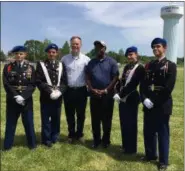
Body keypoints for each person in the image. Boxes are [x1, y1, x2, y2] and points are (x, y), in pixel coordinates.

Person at [140, 38, 177, 171]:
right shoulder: (148, 65)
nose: (155, 49)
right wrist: (143, 99)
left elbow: (168, 88)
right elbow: (143, 85)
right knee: (148, 132)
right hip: (148, 104)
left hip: (162, 105)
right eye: (153, 47)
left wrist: (154, 101)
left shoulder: (170, 65)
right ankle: (150, 155)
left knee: (162, 133)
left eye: (158, 46)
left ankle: (163, 161)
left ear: (165, 48)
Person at [86, 40, 119, 148]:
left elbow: (115, 78)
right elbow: (88, 78)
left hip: (107, 96)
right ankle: (96, 140)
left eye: (101, 47)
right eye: (97, 47)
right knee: (95, 120)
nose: (99, 49)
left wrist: (106, 90)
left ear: (105, 48)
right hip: (94, 95)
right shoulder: (91, 62)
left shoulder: (112, 62)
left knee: (106, 120)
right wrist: (91, 89)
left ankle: (106, 141)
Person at [3, 45, 36, 150]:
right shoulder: (8, 67)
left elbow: (32, 84)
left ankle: (32, 145)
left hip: (26, 101)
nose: (18, 56)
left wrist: (23, 96)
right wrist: (16, 95)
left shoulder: (30, 67)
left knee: (29, 123)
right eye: (16, 54)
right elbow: (6, 83)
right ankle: (7, 146)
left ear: (25, 54)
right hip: (12, 100)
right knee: (11, 123)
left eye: (21, 53)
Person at [113, 46, 145, 154]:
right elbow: (122, 82)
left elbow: (132, 84)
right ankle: (125, 145)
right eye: (128, 55)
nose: (129, 56)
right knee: (123, 123)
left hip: (131, 98)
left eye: (131, 54)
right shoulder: (126, 67)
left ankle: (131, 149)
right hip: (123, 98)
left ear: (136, 54)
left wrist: (120, 95)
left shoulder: (140, 68)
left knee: (131, 124)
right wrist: (116, 92)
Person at [36, 43, 67, 148]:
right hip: (46, 97)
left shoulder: (61, 65)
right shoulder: (41, 65)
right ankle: (46, 139)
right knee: (45, 119)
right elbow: (39, 81)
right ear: (47, 53)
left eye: (53, 52)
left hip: (58, 97)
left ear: (57, 53)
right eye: (49, 52)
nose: (51, 54)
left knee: (56, 118)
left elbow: (64, 82)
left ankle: (55, 137)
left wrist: (60, 92)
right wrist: (50, 92)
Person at [61, 36, 90, 144]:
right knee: (69, 114)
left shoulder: (86, 59)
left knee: (81, 114)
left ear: (81, 45)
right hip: (68, 90)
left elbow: (90, 75)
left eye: (77, 44)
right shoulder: (64, 59)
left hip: (82, 90)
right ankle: (71, 134)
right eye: (73, 44)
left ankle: (80, 134)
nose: (75, 46)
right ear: (70, 45)